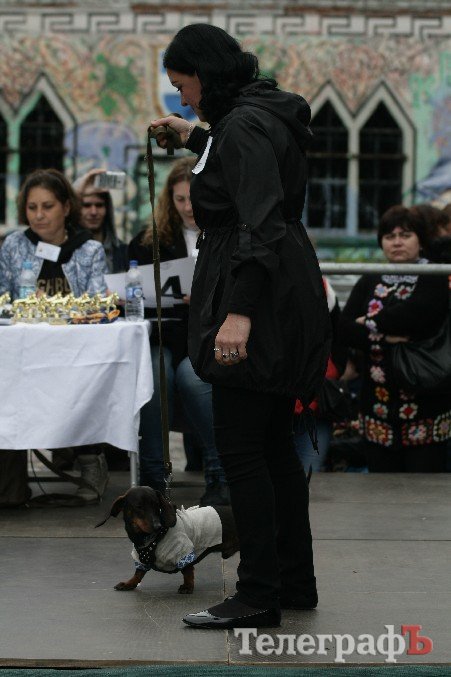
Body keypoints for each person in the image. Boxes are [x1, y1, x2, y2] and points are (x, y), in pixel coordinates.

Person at [150, 24, 330, 629]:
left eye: (183, 86)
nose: (181, 98)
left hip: (259, 295)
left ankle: (256, 593)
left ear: (205, 75)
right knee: (274, 447)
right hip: (280, 289)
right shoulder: (256, 116)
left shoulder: (244, 125)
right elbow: (242, 172)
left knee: (244, 450)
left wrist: (239, 313)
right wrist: (194, 136)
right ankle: (292, 581)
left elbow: (259, 221)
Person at [0, 169, 109, 505]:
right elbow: (2, 296)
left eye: (47, 206)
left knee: (89, 378)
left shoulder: (89, 250)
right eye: (32, 207)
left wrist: (57, 309)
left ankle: (90, 460)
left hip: (75, 352)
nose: (39, 215)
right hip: (24, 351)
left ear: (66, 207)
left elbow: (98, 304)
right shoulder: (14, 245)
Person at [128, 157, 230, 506]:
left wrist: (202, 298)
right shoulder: (148, 242)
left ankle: (220, 472)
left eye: (194, 198)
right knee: (155, 374)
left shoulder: (226, 237)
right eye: (180, 199)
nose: (188, 207)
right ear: (169, 200)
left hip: (207, 337)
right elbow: (135, 296)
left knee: (192, 376)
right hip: (163, 334)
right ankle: (153, 477)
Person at [339, 205, 451, 473]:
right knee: (380, 489)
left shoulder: (435, 275)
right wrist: (385, 339)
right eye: (390, 236)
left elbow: (417, 318)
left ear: (421, 241)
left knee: (423, 491)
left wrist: (368, 323)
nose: (397, 242)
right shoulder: (369, 280)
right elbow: (343, 329)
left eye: (406, 235)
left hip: (427, 406)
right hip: (377, 410)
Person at [74, 169, 128, 273]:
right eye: (86, 205)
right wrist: (78, 190)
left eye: (99, 205)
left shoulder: (124, 252)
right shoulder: (66, 252)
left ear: (107, 209)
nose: (93, 212)